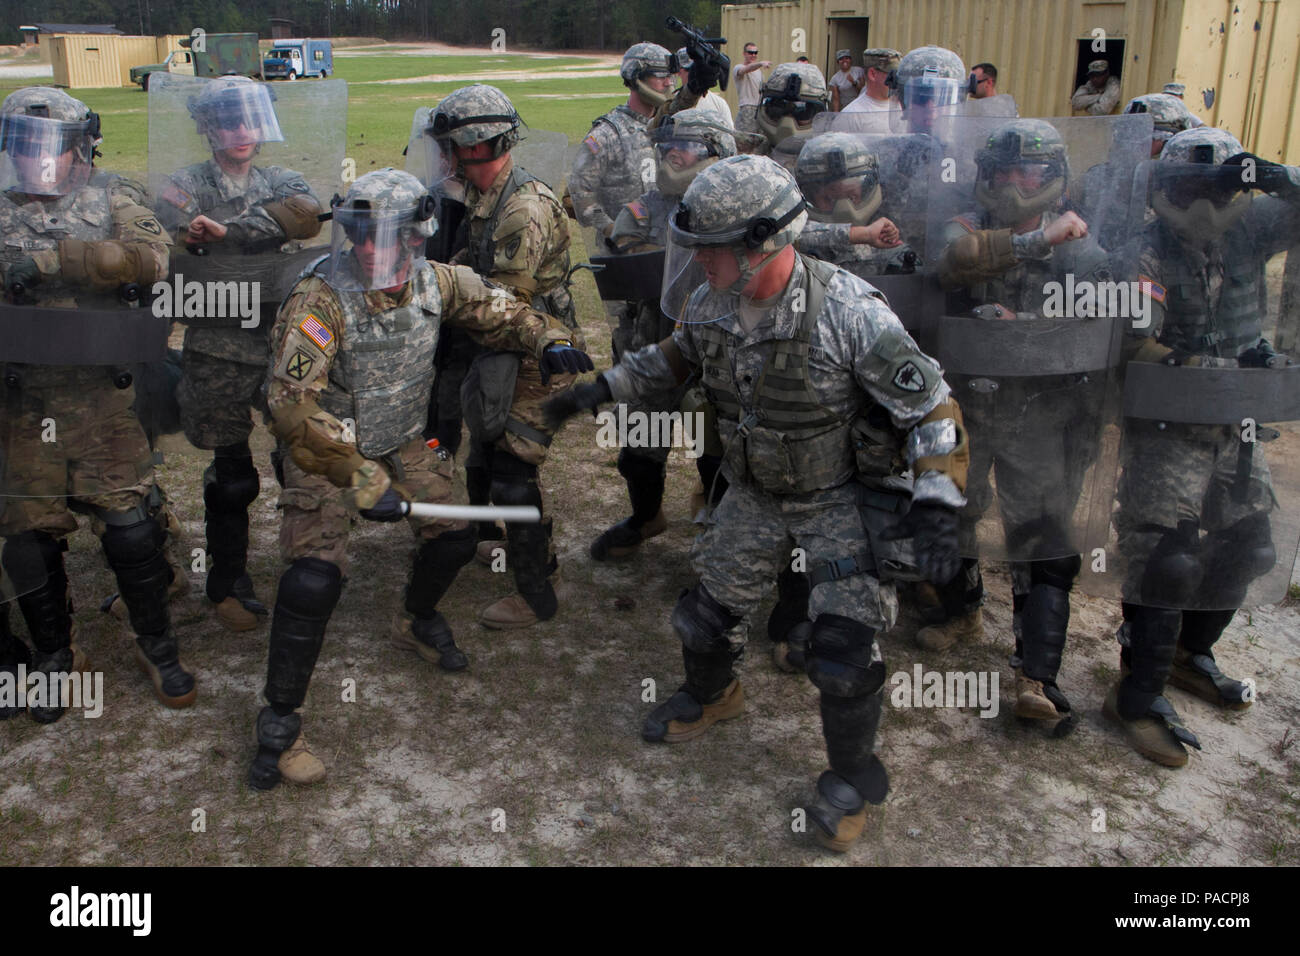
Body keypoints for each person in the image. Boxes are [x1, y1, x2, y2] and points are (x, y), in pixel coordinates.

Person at [544, 155, 969, 852]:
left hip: (837, 497)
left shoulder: (849, 314)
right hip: (753, 490)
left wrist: (936, 504)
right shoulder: (713, 301)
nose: (698, 259)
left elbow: (933, 407)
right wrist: (598, 390)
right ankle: (716, 695)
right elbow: (673, 361)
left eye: (710, 246)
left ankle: (852, 778)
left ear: (762, 242)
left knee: (841, 655)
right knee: (703, 620)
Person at [248, 168, 591, 789]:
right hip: (331, 452)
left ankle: (417, 616)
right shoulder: (319, 300)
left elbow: (505, 311)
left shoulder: (438, 282)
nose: (383, 253)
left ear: (418, 238)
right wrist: (357, 480)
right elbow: (292, 408)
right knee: (312, 581)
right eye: (368, 238)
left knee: (457, 533)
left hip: (404, 442)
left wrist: (550, 339)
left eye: (397, 238)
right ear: (352, 238)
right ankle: (279, 721)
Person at [1106, 128, 1300, 766]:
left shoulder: (1253, 228)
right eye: (1187, 188)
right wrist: (1207, 366)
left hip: (1236, 425)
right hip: (1169, 424)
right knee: (1170, 560)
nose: (1202, 205)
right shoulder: (1145, 248)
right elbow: (1134, 345)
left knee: (1251, 546)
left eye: (1215, 189)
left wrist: (1274, 176)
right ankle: (1137, 695)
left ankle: (1191, 656)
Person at [0, 87, 189, 721]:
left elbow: (153, 260)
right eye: (24, 146)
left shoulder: (114, 196)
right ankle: (57, 654)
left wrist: (55, 261)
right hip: (23, 404)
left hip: (102, 401)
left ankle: (156, 643)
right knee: (28, 538)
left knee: (133, 533)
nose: (37, 160)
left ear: (81, 146)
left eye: (50, 146)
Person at [931, 119, 1116, 729]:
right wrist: (1036, 244)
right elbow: (948, 262)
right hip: (967, 408)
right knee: (953, 506)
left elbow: (1110, 335)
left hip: (1040, 418)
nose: (1014, 183)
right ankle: (960, 609)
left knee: (1041, 537)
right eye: (1002, 172)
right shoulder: (967, 229)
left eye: (1028, 172)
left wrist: (1034, 324)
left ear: (1054, 178)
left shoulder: (1086, 252)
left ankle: (1037, 676)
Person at [154, 75, 325, 632]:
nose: (241, 131)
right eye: (227, 120)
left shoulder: (281, 176)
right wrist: (220, 236)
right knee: (231, 477)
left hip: (278, 343)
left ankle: (309, 568)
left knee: (297, 459)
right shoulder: (185, 183)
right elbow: (174, 234)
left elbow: (305, 211)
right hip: (217, 349)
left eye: (250, 118)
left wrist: (229, 231)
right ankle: (227, 581)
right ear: (206, 128)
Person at [425, 85, 585, 629]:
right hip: (501, 345)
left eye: (452, 148)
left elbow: (504, 308)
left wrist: (441, 292)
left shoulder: (523, 210)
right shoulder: (477, 196)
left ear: (478, 147)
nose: (445, 158)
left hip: (541, 349)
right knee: (484, 451)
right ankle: (489, 536)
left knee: (514, 471)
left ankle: (539, 587)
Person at [591, 107, 737, 562]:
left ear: (717, 152)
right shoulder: (644, 207)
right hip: (653, 345)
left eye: (687, 147)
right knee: (639, 448)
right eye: (669, 147)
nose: (675, 156)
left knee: (714, 447)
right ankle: (646, 517)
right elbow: (629, 249)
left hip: (718, 353)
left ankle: (720, 532)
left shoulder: (739, 207)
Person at [569, 42, 674, 244]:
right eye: (661, 76)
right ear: (637, 78)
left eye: (670, 76)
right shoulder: (607, 135)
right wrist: (613, 230)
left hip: (665, 249)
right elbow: (579, 190)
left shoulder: (669, 127)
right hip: (623, 257)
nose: (669, 83)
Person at [794, 131, 909, 275]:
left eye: (851, 196)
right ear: (808, 196)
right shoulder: (797, 241)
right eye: (829, 198)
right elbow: (788, 233)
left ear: (866, 189)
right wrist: (863, 234)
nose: (844, 209)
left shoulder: (886, 233)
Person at [754, 61, 830, 169]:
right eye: (779, 109)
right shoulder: (751, 154)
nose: (787, 124)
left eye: (803, 114)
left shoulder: (826, 160)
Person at [675, 48, 732, 129]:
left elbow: (729, 136)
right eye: (690, 70)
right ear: (679, 72)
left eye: (699, 70)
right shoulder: (672, 103)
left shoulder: (719, 104)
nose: (695, 74)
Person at [841, 49, 900, 115]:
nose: (897, 80)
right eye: (892, 75)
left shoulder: (903, 107)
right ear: (872, 74)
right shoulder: (852, 114)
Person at [732, 42, 771, 133]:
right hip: (747, 109)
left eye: (755, 53)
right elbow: (746, 69)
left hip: (760, 110)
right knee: (744, 139)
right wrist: (760, 63)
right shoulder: (738, 67)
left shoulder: (759, 72)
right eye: (750, 52)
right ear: (744, 54)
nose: (753, 55)